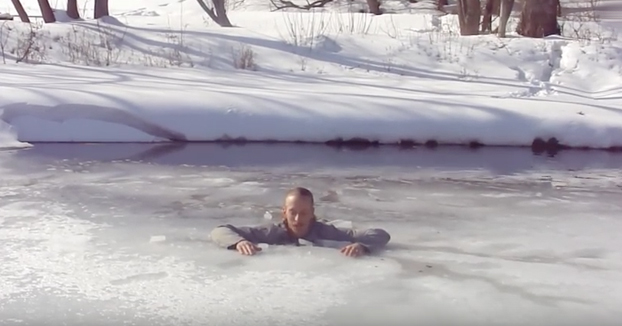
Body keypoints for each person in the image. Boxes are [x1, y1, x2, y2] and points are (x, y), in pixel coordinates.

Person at [210, 187, 391, 257]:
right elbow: (220, 230)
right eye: (292, 213)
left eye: (303, 213)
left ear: (312, 213)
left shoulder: (326, 232)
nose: (297, 220)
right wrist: (239, 242)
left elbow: (381, 234)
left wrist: (362, 245)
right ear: (284, 213)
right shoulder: (271, 232)